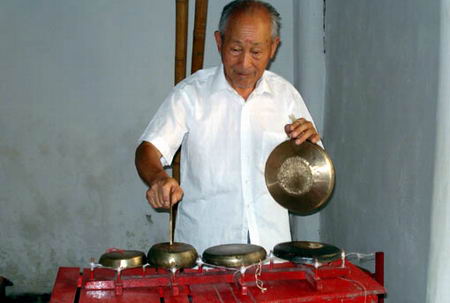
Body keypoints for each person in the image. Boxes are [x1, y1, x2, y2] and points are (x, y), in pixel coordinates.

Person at [135, 0, 320, 254]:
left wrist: (309, 148)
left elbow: (312, 178)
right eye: (235, 49)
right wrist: (158, 179)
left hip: (270, 251)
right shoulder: (191, 95)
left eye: (256, 52)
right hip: (205, 250)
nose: (244, 63)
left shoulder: (285, 97)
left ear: (273, 48)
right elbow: (148, 150)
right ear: (219, 42)